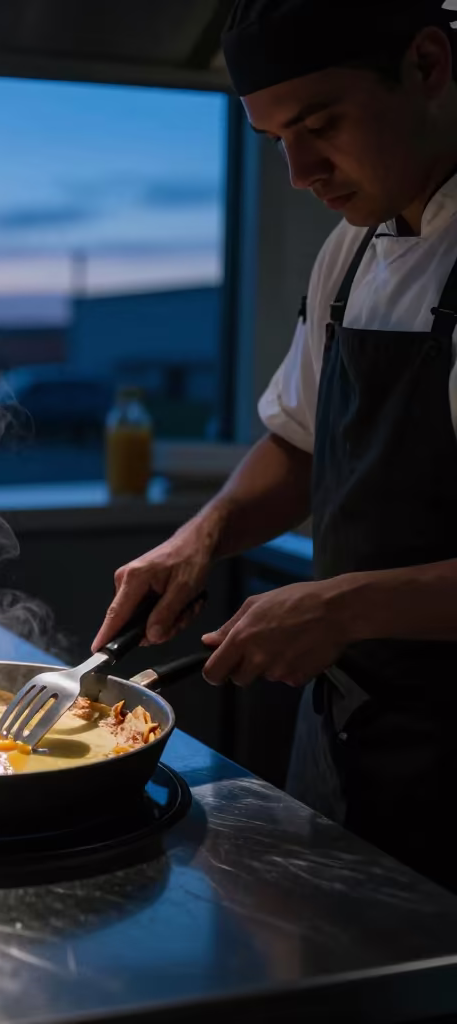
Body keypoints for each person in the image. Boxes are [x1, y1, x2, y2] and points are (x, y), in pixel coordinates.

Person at [92, 0, 457, 890]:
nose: (298, 172)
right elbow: (298, 445)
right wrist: (203, 534)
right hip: (353, 729)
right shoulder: (353, 251)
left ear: (427, 61)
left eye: (319, 125)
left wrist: (338, 610)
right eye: (273, 139)